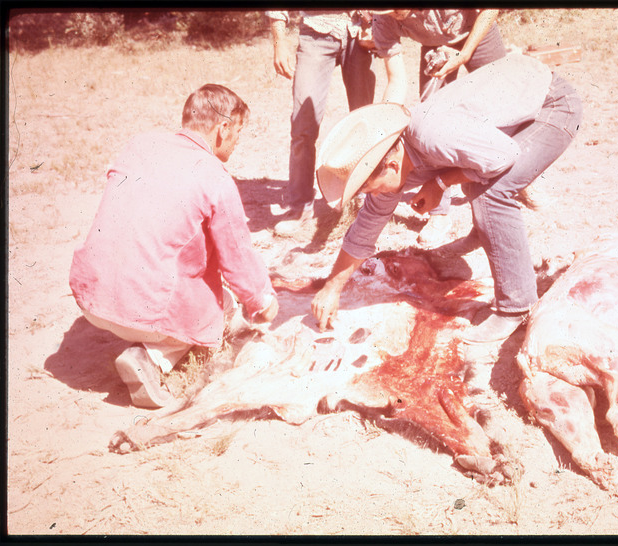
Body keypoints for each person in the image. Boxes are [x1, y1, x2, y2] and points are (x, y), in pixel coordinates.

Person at [311, 54, 582, 345]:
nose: (374, 196)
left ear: (390, 165)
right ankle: (485, 231)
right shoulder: (391, 157)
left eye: (372, 189)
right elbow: (368, 225)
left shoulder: (430, 136)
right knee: (479, 171)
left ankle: (517, 305)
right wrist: (332, 287)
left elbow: (505, 156)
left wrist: (440, 182)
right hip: (513, 109)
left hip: (550, 104)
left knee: (493, 191)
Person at [69, 84, 279, 409]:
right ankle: (153, 357)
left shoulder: (140, 145)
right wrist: (261, 301)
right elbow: (237, 259)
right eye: (238, 132)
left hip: (89, 296)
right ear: (222, 129)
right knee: (222, 305)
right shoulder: (215, 176)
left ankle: (150, 338)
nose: (237, 141)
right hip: (140, 310)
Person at [370, 9, 506, 247]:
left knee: (502, 109)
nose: (394, 16)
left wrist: (464, 55)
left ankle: (498, 208)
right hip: (435, 47)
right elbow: (395, 80)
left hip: (476, 32)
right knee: (432, 126)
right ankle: (439, 215)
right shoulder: (382, 19)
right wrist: (384, 130)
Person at [266, 10, 376, 236]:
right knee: (303, 126)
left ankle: (367, 202)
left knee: (365, 120)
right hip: (315, 33)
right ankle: (300, 207)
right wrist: (280, 42)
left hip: (360, 34)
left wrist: (376, 22)